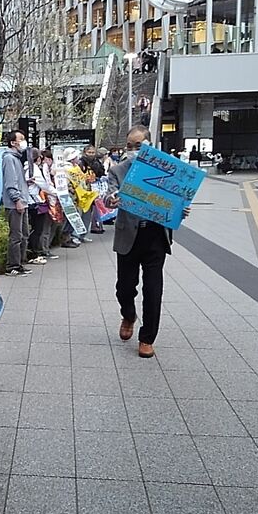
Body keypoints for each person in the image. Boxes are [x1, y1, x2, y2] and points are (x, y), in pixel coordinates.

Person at [105, 126, 188, 359]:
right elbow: (109, 197)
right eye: (129, 146)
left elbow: (176, 199)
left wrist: (181, 210)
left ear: (150, 145)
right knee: (124, 288)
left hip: (155, 237)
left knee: (153, 290)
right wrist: (112, 199)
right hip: (128, 236)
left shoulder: (166, 170)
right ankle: (128, 315)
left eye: (138, 146)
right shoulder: (117, 171)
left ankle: (147, 338)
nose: (133, 150)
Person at [1, 130, 34, 276]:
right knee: (16, 236)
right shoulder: (9, 158)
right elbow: (10, 182)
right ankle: (12, 266)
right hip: (16, 203)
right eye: (21, 139)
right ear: (13, 142)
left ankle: (20, 263)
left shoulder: (16, 158)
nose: (24, 142)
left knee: (24, 234)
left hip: (22, 201)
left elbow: (16, 180)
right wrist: (17, 200)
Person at [27, 148, 58, 262]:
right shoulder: (33, 168)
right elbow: (44, 185)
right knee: (37, 229)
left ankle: (34, 252)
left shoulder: (29, 167)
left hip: (33, 201)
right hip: (34, 201)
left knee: (34, 229)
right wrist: (58, 193)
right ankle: (35, 254)